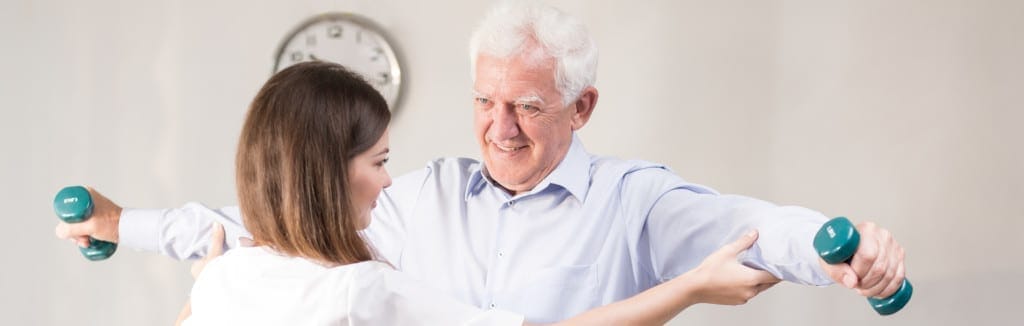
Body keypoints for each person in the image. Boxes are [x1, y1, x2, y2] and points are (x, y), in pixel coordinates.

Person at [56, 1, 908, 323]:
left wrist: (848, 257)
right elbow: (263, 226)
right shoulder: (410, 201)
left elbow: (752, 228)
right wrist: (120, 223)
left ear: (582, 107)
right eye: (484, 102)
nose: (498, 128)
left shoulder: (633, 200)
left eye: (527, 106)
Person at [174, 60, 779, 325]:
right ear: (325, 172)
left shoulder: (226, 278)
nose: (388, 181)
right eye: (380, 161)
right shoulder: (362, 290)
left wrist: (206, 279)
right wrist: (693, 288)